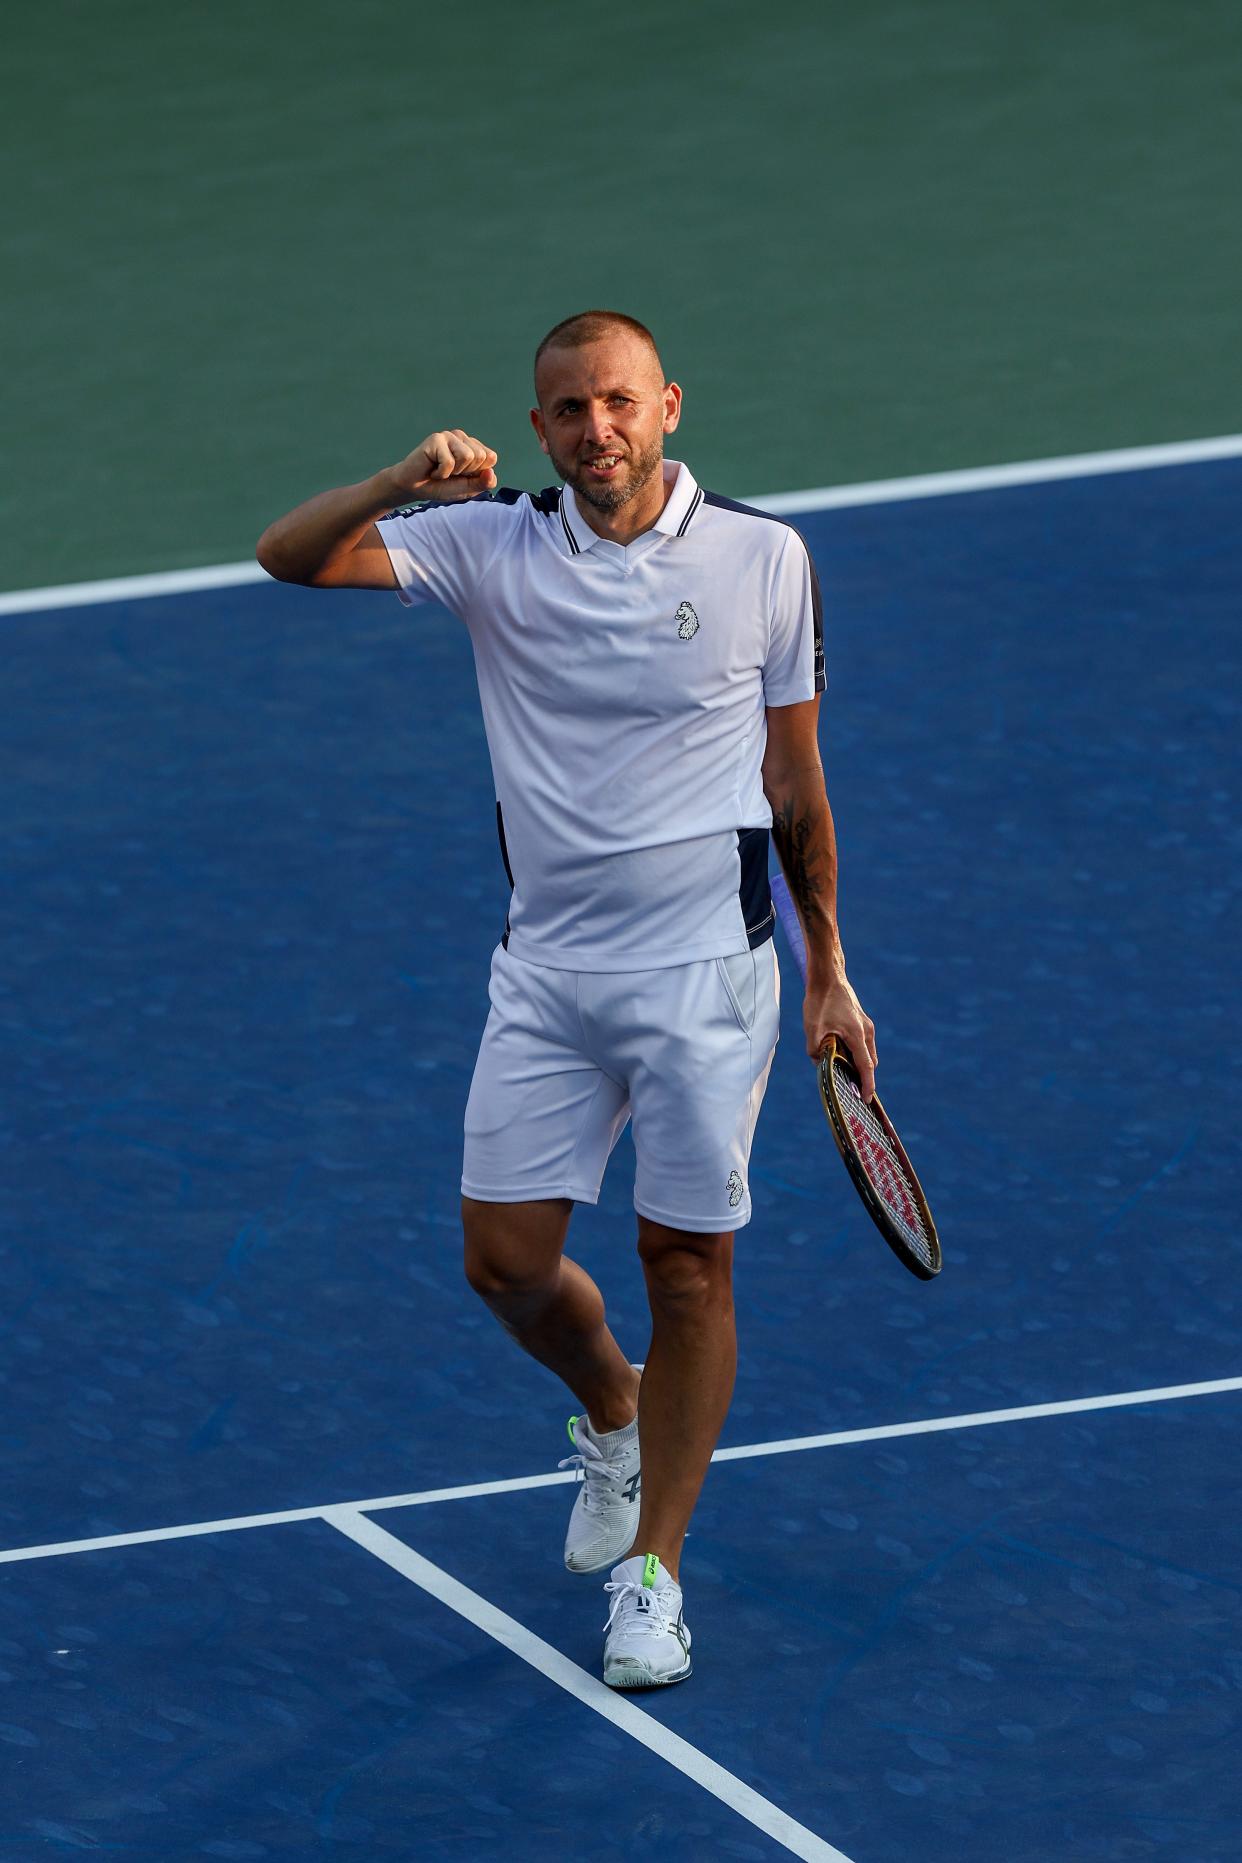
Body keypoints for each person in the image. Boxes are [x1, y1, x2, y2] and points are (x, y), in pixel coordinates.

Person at [256, 310, 876, 1689]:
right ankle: (614, 1407)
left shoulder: (760, 557)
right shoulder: (488, 546)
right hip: (545, 970)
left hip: (707, 977)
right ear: (536, 431)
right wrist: (389, 486)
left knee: (685, 1264)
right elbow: (287, 559)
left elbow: (794, 788)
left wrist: (829, 972)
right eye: (567, 410)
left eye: (617, 402)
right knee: (505, 1264)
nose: (595, 428)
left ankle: (653, 1573)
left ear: (667, 407)